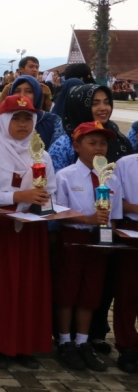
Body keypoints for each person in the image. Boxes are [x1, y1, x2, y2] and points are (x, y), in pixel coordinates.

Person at [0, 95, 56, 370]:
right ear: (4, 120)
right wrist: (20, 195)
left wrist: (42, 201)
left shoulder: (41, 155)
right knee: (2, 287)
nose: (23, 125)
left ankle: (25, 345)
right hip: (2, 229)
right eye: (17, 118)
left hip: (32, 230)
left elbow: (51, 190)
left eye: (28, 119)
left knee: (29, 287)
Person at [53, 122, 123, 372]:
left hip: (98, 243)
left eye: (103, 143)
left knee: (90, 292)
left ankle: (83, 342)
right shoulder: (66, 176)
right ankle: (64, 340)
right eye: (92, 143)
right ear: (76, 146)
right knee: (67, 291)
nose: (98, 148)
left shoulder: (112, 178)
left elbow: (114, 214)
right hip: (73, 239)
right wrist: (88, 219)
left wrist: (109, 233)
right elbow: (58, 211)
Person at [49, 83, 132, 171]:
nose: (103, 108)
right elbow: (54, 182)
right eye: (95, 103)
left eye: (107, 102)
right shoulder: (63, 145)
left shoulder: (116, 135)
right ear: (79, 107)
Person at [109, 151, 138, 372]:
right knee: (128, 292)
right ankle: (127, 346)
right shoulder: (125, 164)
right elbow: (116, 201)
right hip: (132, 230)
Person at [5, 75, 64, 149]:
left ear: (37, 95)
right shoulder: (4, 121)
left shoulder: (53, 122)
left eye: (29, 91)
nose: (22, 95)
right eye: (17, 91)